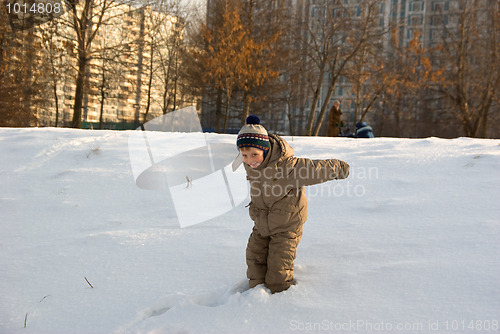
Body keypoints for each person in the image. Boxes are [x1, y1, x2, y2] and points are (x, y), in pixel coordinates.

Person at [232, 115, 350, 293]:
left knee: (278, 265)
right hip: (262, 223)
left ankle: (279, 297)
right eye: (244, 155)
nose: (250, 160)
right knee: (254, 256)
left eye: (254, 154)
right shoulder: (251, 166)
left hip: (287, 225)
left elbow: (316, 170)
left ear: (265, 150)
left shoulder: (287, 167)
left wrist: (339, 168)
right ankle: (254, 293)